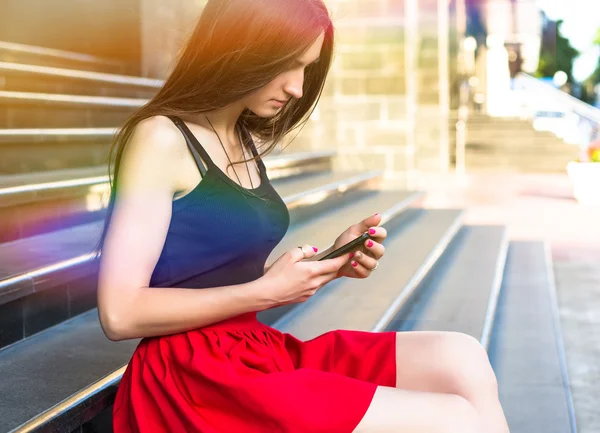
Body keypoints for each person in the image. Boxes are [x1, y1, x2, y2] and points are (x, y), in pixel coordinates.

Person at [96, 1, 510, 431]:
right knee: (455, 420)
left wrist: (326, 264)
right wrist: (267, 291)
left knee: (462, 356)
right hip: (195, 379)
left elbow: (219, 270)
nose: (297, 87)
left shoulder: (240, 137)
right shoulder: (160, 138)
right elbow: (120, 313)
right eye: (288, 64)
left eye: (306, 68)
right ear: (241, 46)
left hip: (250, 349)